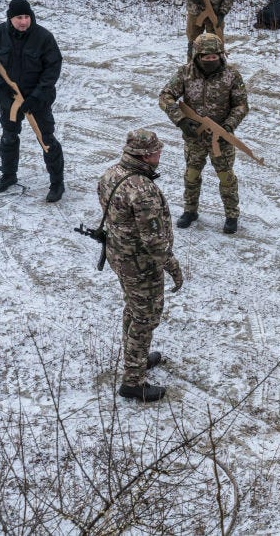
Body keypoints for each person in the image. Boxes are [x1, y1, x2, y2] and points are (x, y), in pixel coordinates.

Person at [99, 129, 183, 402]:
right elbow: (154, 241)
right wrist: (173, 267)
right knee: (145, 317)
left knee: (133, 309)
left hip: (119, 257)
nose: (160, 154)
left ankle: (135, 359)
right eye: (157, 150)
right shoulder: (143, 190)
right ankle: (133, 381)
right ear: (145, 155)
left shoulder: (111, 173)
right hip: (141, 264)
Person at [0, 0, 66, 201]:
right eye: (19, 17)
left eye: (27, 17)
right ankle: (8, 176)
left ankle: (57, 183)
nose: (24, 21)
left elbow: (53, 69)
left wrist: (36, 97)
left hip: (38, 99)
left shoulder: (43, 37)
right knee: (9, 136)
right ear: (10, 18)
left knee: (47, 139)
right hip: (9, 98)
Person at [159, 32, 249, 234]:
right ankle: (190, 211)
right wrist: (180, 120)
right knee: (191, 176)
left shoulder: (232, 75)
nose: (211, 60)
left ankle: (231, 215)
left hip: (221, 139)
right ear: (197, 56)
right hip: (194, 138)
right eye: (206, 57)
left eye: (214, 56)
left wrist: (228, 126)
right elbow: (165, 96)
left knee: (226, 178)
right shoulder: (185, 73)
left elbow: (241, 106)